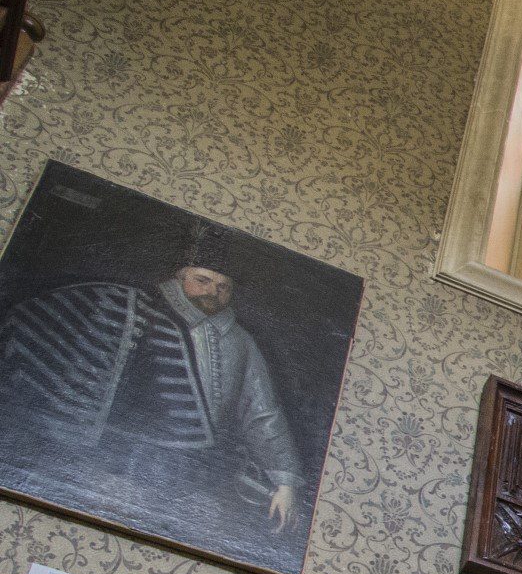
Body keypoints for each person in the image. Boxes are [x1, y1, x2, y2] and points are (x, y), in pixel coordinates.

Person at [0, 225, 304, 533]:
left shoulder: (241, 342)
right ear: (180, 278)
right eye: (203, 280)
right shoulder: (133, 310)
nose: (213, 291)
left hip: (197, 474)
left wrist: (285, 481)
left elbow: (263, 413)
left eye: (223, 286)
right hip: (112, 463)